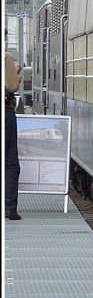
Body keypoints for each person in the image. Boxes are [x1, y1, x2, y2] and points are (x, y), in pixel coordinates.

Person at [4, 28, 21, 220]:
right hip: (5, 112)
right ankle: (10, 209)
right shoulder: (6, 57)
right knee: (10, 162)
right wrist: (16, 75)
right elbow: (11, 86)